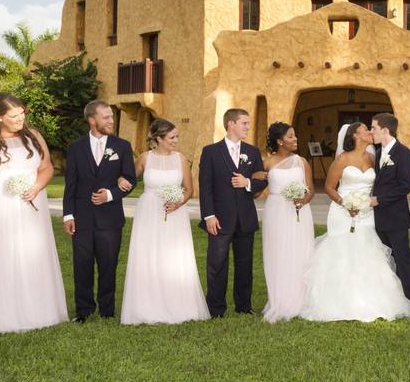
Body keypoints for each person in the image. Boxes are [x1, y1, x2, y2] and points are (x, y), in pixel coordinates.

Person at [0, 94, 68, 332]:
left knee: (31, 252)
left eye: (22, 113)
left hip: (30, 203)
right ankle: (0, 312)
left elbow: (46, 167)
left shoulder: (34, 136)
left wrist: (36, 187)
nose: (20, 119)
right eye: (13, 116)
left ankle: (37, 309)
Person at [300, 122, 410, 322]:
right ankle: (339, 299)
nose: (370, 132)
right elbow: (330, 187)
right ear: (355, 135)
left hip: (367, 213)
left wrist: (368, 203)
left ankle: (371, 298)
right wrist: (345, 203)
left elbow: (381, 185)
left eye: (371, 128)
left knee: (368, 250)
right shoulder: (342, 159)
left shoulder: (374, 158)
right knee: (343, 252)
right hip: (342, 213)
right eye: (366, 129)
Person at [120, 118, 210, 325]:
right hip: (149, 212)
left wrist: (178, 203)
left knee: (174, 257)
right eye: (172, 137)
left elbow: (189, 189)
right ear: (158, 138)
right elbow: (129, 180)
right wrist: (120, 181)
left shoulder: (180, 159)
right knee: (149, 255)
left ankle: (178, 303)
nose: (176, 140)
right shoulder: (145, 158)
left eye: (177, 136)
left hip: (175, 214)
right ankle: (146, 305)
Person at [62, 99, 137, 322]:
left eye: (112, 117)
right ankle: (83, 311)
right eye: (106, 117)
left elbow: (130, 180)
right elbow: (70, 184)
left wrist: (111, 194)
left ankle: (107, 310)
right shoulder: (75, 148)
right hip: (82, 218)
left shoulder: (122, 146)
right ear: (92, 120)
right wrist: (68, 215)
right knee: (82, 265)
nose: (111, 121)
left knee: (108, 265)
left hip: (110, 218)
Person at [198, 108, 267, 317]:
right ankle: (216, 308)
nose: (248, 126)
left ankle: (243, 306)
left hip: (245, 216)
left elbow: (262, 179)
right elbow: (205, 186)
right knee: (217, 265)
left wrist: (247, 183)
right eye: (244, 123)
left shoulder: (252, 151)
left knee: (244, 264)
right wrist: (209, 215)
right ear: (231, 124)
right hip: (219, 218)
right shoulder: (210, 151)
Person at [371, 113, 410, 320]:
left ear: (385, 130)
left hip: (396, 218)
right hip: (378, 218)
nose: (371, 132)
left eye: (373, 128)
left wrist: (380, 199)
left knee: (403, 261)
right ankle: (392, 302)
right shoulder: (378, 153)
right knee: (385, 261)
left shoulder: (404, 154)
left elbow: (405, 186)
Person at [260, 122, 315, 323]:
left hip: (299, 212)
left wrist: (302, 200)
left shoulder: (302, 162)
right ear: (280, 141)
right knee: (277, 253)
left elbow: (310, 189)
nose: (295, 139)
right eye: (291, 136)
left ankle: (300, 299)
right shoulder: (267, 163)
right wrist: (254, 179)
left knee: (300, 252)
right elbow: (257, 191)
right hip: (275, 212)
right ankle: (279, 299)